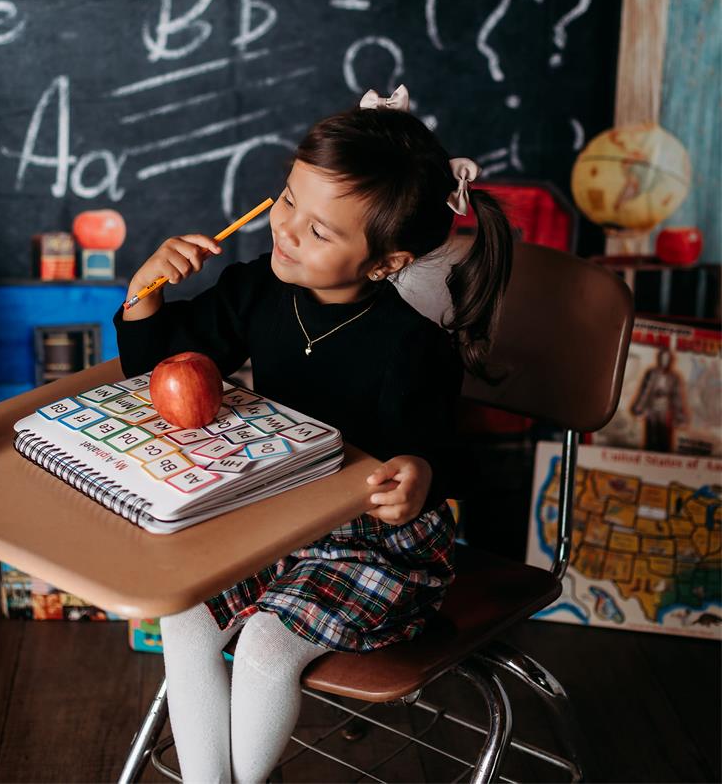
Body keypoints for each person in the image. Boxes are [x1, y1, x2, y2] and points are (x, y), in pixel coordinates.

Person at [113, 86, 513, 783]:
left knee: (267, 646)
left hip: (373, 541)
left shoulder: (409, 345)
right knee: (183, 620)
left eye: (320, 231)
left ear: (385, 262)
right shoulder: (255, 288)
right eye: (288, 197)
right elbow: (160, 369)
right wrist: (146, 290)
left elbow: (447, 456)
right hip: (273, 516)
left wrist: (418, 473)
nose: (286, 227)